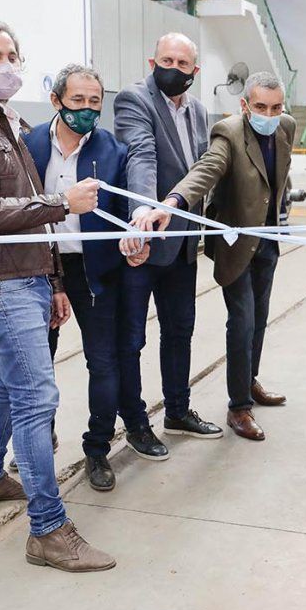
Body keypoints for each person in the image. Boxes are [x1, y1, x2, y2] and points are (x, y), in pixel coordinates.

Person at [0, 19, 113, 572]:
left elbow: (27, 211)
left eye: (13, 54)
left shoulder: (6, 121)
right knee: (37, 397)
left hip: (26, 276)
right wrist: (63, 202)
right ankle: (49, 531)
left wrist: (53, 279)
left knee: (14, 386)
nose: (9, 64)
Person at [137, 72, 294, 441]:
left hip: (267, 239)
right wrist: (172, 203)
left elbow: (276, 181)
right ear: (244, 105)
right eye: (260, 107)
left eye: (275, 107)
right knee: (242, 321)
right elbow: (206, 171)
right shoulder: (229, 132)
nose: (268, 114)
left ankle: (249, 378)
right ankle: (238, 407)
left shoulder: (285, 126)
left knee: (260, 318)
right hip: (234, 243)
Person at [21, 64, 139, 493]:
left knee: (103, 362)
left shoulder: (113, 152)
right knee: (38, 365)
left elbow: (127, 217)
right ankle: (39, 438)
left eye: (95, 102)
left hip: (95, 272)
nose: (87, 110)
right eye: (78, 101)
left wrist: (134, 241)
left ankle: (97, 448)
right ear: (56, 101)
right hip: (39, 270)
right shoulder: (28, 145)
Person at [112, 32, 224, 447]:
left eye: (182, 64)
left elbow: (201, 168)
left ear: (195, 71)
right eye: (166, 60)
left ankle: (177, 411)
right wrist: (142, 209)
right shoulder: (134, 99)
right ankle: (137, 423)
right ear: (151, 60)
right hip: (145, 242)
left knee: (180, 330)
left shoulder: (198, 109)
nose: (173, 69)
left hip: (182, 244)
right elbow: (142, 153)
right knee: (132, 339)